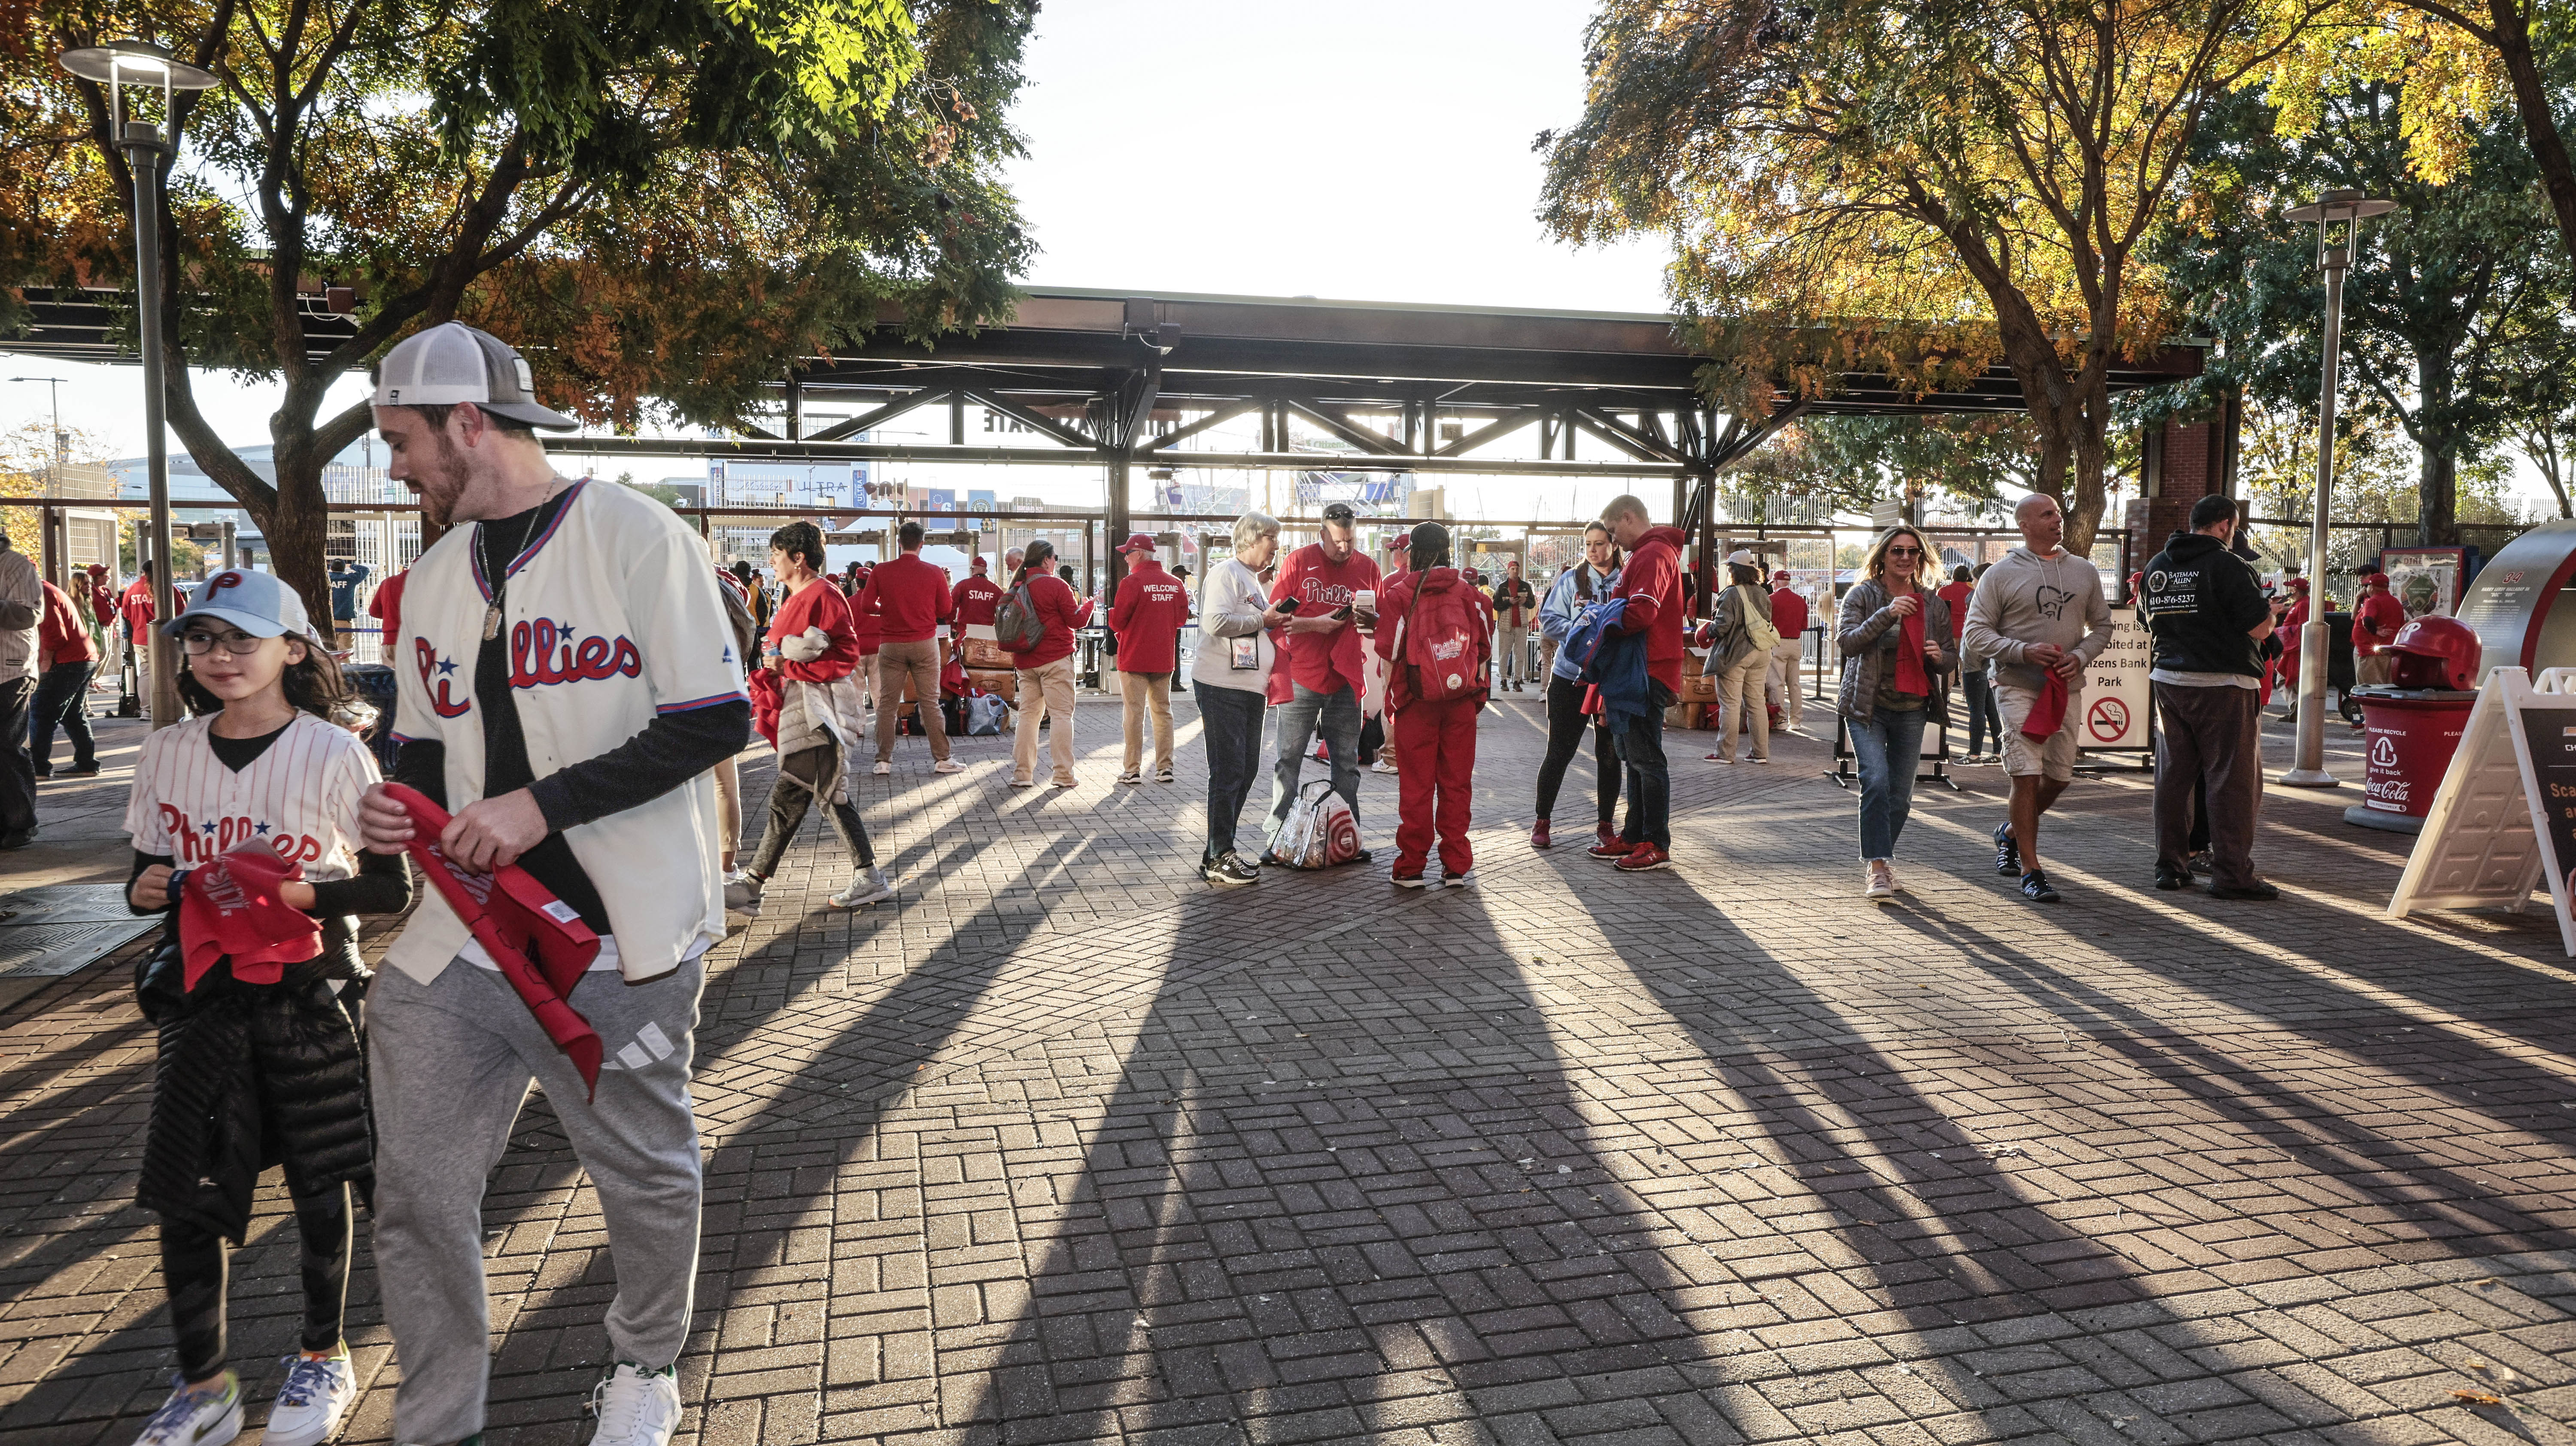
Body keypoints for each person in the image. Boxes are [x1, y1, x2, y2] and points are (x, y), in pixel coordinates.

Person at [356, 322, 750, 1446]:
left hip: (620, 938)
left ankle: (646, 1365)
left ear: (467, 424)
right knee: (418, 1190)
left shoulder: (635, 534)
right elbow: (423, 747)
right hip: (462, 944)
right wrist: (397, 806)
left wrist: (543, 805)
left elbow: (717, 715)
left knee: (639, 1171)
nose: (395, 467)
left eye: (401, 441)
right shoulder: (432, 577)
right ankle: (438, 1415)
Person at [119, 568, 410, 1446]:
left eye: (240, 638)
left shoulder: (333, 751)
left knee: (322, 1182)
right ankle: (203, 1384)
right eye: (202, 639)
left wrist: (299, 894)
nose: (217, 656)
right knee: (187, 1190)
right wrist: (149, 888)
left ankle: (322, 1357)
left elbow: (389, 887)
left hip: (309, 988)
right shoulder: (168, 749)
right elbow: (142, 872)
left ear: (293, 649)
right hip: (202, 996)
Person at [1962, 493, 2114, 905]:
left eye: (2059, 514)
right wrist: (2023, 651)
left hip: (2065, 688)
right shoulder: (1999, 574)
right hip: (2015, 686)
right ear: (2025, 524)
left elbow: (2102, 626)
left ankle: (2009, 832)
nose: (2057, 521)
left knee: (2059, 778)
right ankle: (2032, 870)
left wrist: (2081, 656)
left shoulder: (2083, 571)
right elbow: (1975, 634)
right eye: (2047, 515)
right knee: (2025, 774)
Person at [737, 521, 888, 912]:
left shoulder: (821, 595)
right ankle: (756, 885)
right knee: (817, 795)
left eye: (776, 553)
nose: (771, 561)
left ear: (798, 558)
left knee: (808, 795)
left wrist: (786, 665)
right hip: (804, 711)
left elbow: (842, 656)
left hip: (818, 712)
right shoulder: (802, 595)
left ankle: (754, 886)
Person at [2141, 495, 2283, 900]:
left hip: (2169, 680)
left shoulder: (2158, 566)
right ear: (2225, 525)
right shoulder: (2229, 565)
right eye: (2234, 528)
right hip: (2224, 684)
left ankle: (2170, 865)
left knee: (2173, 778)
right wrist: (2271, 614)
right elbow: (2258, 628)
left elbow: (2145, 621)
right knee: (2232, 782)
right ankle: (2233, 875)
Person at [1837, 527, 1954, 899]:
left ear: (1920, 557)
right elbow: (1848, 642)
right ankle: (1876, 865)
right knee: (1875, 780)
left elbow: (1953, 657)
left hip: (1911, 707)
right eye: (1897, 551)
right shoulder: (1863, 595)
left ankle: (1883, 861)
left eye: (1913, 552)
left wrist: (1940, 658)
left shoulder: (1932, 604)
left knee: (1901, 795)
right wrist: (1886, 615)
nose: (1905, 557)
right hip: (1867, 706)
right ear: (1883, 556)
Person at [1262, 501, 1380, 862]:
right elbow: (1273, 620)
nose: (1344, 549)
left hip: (1345, 677)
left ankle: (1350, 838)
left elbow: (1379, 622)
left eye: (1351, 540)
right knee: (1289, 758)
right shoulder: (1298, 561)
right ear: (1321, 535)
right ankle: (1278, 839)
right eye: (1337, 542)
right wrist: (1319, 624)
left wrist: (1368, 622)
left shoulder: (1369, 567)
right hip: (1302, 674)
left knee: (1346, 762)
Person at [1377, 522, 1490, 886]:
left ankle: (1411, 866)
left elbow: (1388, 649)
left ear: (1415, 553)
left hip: (1415, 702)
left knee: (1417, 786)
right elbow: (1485, 646)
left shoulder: (1400, 594)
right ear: (1447, 552)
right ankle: (1456, 864)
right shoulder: (1471, 596)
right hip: (1460, 702)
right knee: (1457, 784)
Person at [1590, 495, 1685, 872]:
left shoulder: (1651, 555)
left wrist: (1603, 623)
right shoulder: (1652, 554)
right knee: (1635, 758)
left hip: (1646, 668)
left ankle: (1655, 842)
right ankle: (1634, 835)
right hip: (1643, 666)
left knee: (1645, 759)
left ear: (1629, 518)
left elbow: (1643, 612)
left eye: (1613, 532)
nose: (1614, 542)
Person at [1196, 513, 1282, 884]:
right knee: (1229, 769)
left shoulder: (1251, 578)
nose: (1277, 545)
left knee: (1245, 769)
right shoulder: (1226, 573)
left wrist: (1269, 621)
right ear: (1251, 538)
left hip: (1248, 687)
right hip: (1222, 686)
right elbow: (1215, 623)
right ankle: (1220, 856)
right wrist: (1264, 621)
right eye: (1272, 538)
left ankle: (1218, 850)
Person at [1532, 522, 1622, 851]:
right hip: (1570, 676)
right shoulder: (1572, 580)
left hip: (1610, 680)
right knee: (1559, 751)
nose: (1594, 551)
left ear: (1613, 545)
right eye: (1588, 545)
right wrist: (1584, 629)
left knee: (1609, 755)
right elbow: (1549, 620)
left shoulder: (1627, 579)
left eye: (1600, 544)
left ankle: (1606, 825)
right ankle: (1542, 821)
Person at [855, 521, 961, 775]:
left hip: (890, 644)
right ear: (922, 544)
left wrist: (886, 610)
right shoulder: (934, 572)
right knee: (930, 702)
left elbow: (867, 606)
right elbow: (945, 609)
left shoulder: (881, 571)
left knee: (887, 704)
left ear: (899, 542)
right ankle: (943, 759)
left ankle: (883, 761)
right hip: (924, 642)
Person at [1002, 540, 1085, 787]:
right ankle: (1062, 775)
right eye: (1055, 557)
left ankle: (1022, 774)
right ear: (1047, 559)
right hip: (1056, 659)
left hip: (1026, 661)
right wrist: (1089, 604)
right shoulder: (1056, 585)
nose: (1056, 562)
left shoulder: (1017, 585)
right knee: (1061, 716)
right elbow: (1076, 620)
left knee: (1028, 715)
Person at [1108, 535, 1190, 784]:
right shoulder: (1175, 584)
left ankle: (1132, 770)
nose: (1126, 557)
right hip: (1163, 659)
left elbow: (1118, 621)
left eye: (1128, 552)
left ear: (1140, 553)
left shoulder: (1132, 583)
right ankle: (1165, 768)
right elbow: (1181, 620)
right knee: (1163, 713)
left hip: (1134, 658)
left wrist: (1112, 614)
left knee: (1134, 714)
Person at [1705, 557, 1773, 765]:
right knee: (1757, 703)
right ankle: (1760, 753)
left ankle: (1725, 753)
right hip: (1761, 650)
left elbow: (1723, 626)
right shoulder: (1763, 593)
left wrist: (1707, 629)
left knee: (1730, 705)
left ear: (1734, 571)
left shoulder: (1732, 593)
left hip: (1736, 653)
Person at [30, 576, 99, 778]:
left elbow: (56, 634)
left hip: (68, 661)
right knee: (73, 714)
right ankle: (87, 763)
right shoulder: (47, 589)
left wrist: (46, 660)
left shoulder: (39, 592)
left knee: (41, 711)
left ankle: (38, 767)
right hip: (83, 657)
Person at [0, 532, 41, 848]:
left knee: (7, 746)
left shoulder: (15, 565)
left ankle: (20, 822)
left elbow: (27, 615)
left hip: (10, 671)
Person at [1765, 570, 1809, 733]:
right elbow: (1804, 626)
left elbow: (1765, 624)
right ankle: (1796, 721)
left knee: (1777, 683)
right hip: (1796, 644)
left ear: (1776, 583)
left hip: (1777, 644)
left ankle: (1781, 720)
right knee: (1795, 684)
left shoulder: (1771, 600)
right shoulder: (1800, 601)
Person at [1489, 558, 1538, 693]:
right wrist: (1509, 603)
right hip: (1505, 626)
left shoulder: (1526, 586)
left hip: (1522, 625)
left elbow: (1532, 604)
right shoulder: (1502, 587)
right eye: (1513, 569)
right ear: (1508, 570)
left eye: (1517, 569)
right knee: (1504, 654)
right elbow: (1496, 606)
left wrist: (1525, 601)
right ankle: (1503, 679)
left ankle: (1517, 681)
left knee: (1520, 655)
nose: (1515, 571)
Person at [2353, 562, 2405, 687]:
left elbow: (2368, 620)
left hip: (2371, 654)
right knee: (2386, 686)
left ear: (2372, 587)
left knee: (2370, 688)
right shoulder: (2396, 602)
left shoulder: (2374, 601)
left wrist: (2375, 631)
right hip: (2388, 651)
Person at [951, 553, 1004, 658]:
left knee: (963, 665)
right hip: (987, 635)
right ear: (986, 571)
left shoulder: (963, 585)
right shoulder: (996, 590)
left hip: (965, 633)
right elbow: (1004, 613)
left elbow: (951, 607)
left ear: (972, 570)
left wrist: (952, 625)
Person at [325, 559, 370, 649]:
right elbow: (366, 570)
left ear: (332, 568)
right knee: (344, 655)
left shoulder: (326, 579)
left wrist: (327, 567)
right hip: (345, 622)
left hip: (327, 622)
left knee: (327, 655)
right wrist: (351, 566)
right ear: (344, 568)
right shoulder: (350, 579)